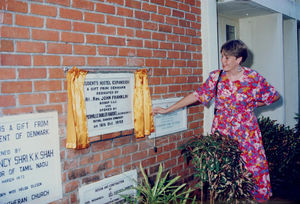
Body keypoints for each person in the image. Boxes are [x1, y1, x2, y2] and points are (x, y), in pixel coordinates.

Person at [153, 39, 280, 202]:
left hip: (247, 131)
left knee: (252, 167)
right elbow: (196, 95)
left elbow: (274, 95)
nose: (223, 61)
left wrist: (253, 104)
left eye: (227, 58)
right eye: (222, 56)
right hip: (223, 131)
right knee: (223, 170)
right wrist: (167, 110)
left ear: (239, 59)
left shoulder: (253, 78)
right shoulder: (216, 77)